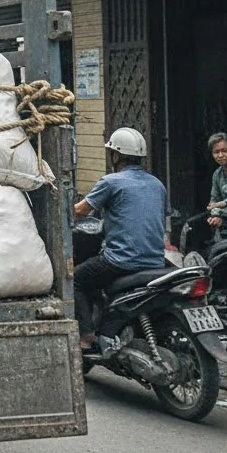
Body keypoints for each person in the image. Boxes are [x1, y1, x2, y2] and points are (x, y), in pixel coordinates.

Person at [72, 127, 167, 352]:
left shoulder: (111, 182)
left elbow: (78, 212)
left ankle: (86, 337)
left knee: (75, 280)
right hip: (156, 261)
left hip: (121, 261)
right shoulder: (157, 184)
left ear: (115, 156)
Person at [206, 132, 227, 238]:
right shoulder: (217, 174)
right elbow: (214, 200)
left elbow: (221, 204)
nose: (220, 155)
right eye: (216, 152)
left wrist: (221, 206)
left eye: (225, 151)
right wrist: (214, 215)